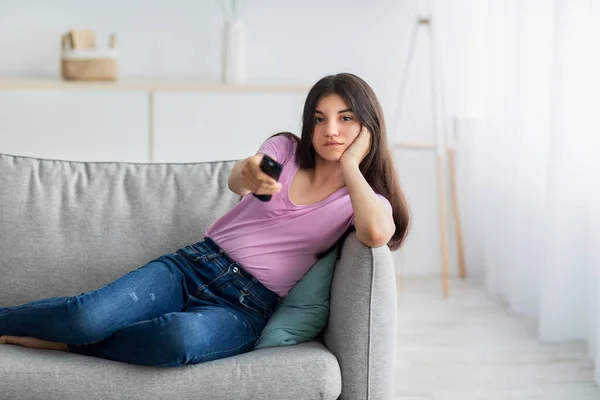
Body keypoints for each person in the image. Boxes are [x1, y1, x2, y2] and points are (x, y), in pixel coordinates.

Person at [0, 72, 410, 367]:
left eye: (346, 118)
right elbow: (245, 177)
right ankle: (62, 332)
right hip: (192, 266)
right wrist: (249, 172)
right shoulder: (286, 150)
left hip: (247, 306)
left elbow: (376, 233)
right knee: (83, 317)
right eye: (320, 118)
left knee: (175, 340)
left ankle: (70, 348)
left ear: (368, 128)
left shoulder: (362, 200)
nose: (331, 129)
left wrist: (353, 164)